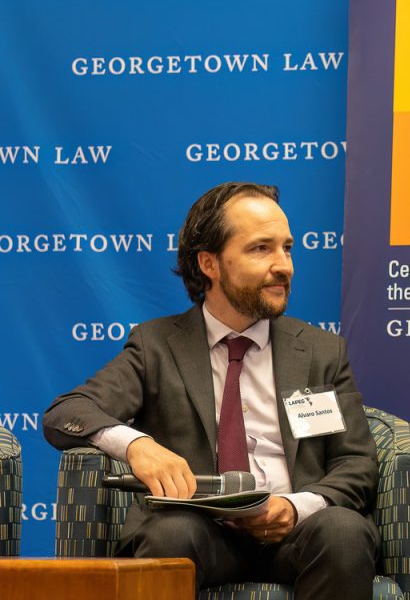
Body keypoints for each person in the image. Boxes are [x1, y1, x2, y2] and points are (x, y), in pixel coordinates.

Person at [43, 182, 379, 600]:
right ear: (210, 264)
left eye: (287, 248)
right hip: (198, 532)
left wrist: (295, 508)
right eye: (261, 249)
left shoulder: (320, 351)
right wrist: (137, 446)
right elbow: (66, 412)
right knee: (170, 534)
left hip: (299, 533)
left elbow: (356, 464)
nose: (284, 266)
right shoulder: (157, 346)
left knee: (344, 531)